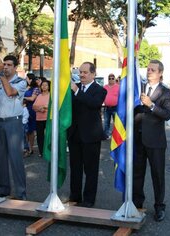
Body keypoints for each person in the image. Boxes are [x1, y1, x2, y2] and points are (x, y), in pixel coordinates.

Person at [133, 59, 170, 222]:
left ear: (160, 73)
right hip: (138, 138)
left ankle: (159, 207)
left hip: (155, 141)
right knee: (137, 173)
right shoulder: (139, 88)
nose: (149, 71)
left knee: (157, 175)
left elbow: (167, 114)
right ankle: (136, 204)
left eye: (153, 70)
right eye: (148, 69)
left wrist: (150, 105)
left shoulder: (166, 93)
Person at [68, 61, 107, 208]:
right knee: (75, 168)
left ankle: (89, 200)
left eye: (85, 72)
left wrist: (77, 91)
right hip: (74, 134)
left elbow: (94, 103)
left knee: (90, 170)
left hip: (91, 136)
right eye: (80, 72)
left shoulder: (100, 90)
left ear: (93, 74)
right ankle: (75, 197)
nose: (81, 75)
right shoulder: (74, 87)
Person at [0, 55, 27, 200]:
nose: (5, 67)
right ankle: (3, 189)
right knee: (0, 157)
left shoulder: (21, 82)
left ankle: (20, 192)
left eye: (8, 65)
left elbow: (10, 92)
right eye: (4, 64)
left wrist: (0, 76)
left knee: (15, 158)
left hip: (14, 122)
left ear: (15, 67)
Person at [24, 73, 40, 155]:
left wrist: (23, 98)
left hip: (32, 109)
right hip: (25, 109)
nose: (25, 79)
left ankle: (31, 148)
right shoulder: (26, 87)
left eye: (26, 78)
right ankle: (26, 147)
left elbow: (32, 98)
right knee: (25, 130)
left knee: (31, 130)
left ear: (30, 79)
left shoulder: (36, 88)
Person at [32, 79, 50, 157]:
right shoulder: (39, 95)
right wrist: (40, 108)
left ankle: (49, 151)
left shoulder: (51, 95)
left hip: (48, 119)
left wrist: (41, 107)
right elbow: (34, 106)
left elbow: (50, 106)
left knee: (49, 136)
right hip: (39, 118)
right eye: (42, 85)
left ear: (49, 86)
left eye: (46, 85)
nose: (44, 86)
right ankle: (41, 152)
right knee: (40, 136)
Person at [102, 73, 120, 140]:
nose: (111, 79)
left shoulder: (118, 87)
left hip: (115, 107)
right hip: (107, 107)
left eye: (112, 78)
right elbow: (102, 95)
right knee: (106, 122)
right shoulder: (105, 87)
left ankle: (117, 136)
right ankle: (106, 135)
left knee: (116, 123)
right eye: (109, 78)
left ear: (114, 79)